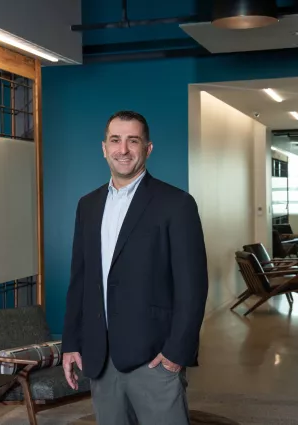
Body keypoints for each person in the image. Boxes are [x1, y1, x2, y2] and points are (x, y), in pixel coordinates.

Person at [62, 110, 208, 425]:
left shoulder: (176, 203)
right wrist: (72, 342)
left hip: (154, 357)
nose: (123, 149)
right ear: (104, 148)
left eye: (133, 141)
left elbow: (192, 286)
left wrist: (176, 354)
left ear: (148, 148)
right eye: (115, 140)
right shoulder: (88, 205)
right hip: (99, 357)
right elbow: (81, 279)